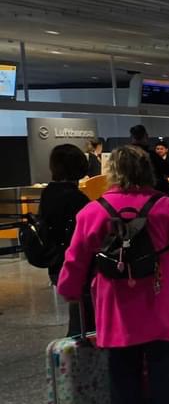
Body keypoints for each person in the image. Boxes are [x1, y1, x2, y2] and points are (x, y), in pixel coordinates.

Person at [56, 144, 169, 404]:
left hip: (113, 295)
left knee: (120, 357)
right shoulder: (167, 208)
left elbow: (76, 257)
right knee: (161, 353)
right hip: (159, 291)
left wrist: (69, 289)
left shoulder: (92, 212)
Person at [39, 144, 92, 336]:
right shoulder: (76, 198)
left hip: (56, 262)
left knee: (78, 315)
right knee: (84, 319)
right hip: (75, 264)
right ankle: (78, 361)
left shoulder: (48, 193)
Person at [129, 125, 169, 193]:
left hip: (132, 193)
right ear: (146, 136)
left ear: (132, 137)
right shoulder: (151, 155)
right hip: (154, 193)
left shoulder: (125, 156)